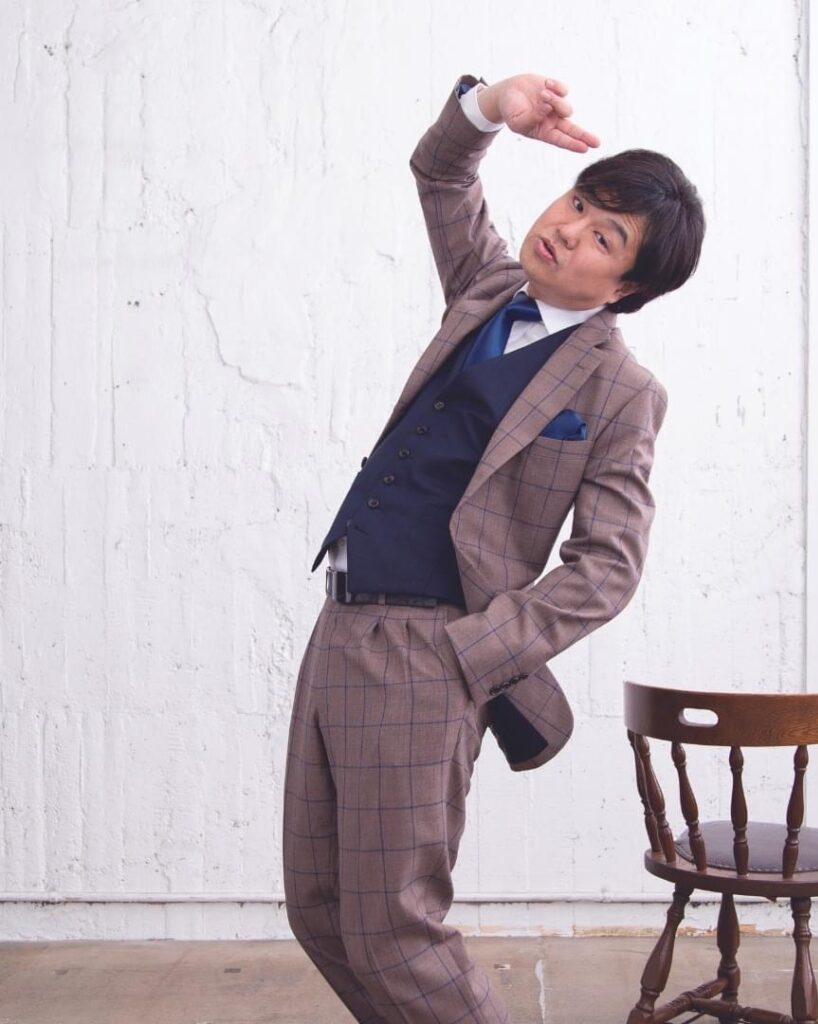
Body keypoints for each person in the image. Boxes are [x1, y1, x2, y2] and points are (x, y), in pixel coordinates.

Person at [282, 71, 705, 1024]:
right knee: (321, 911)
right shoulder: (486, 289)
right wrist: (492, 109)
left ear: (628, 287)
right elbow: (441, 175)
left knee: (394, 928)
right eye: (580, 202)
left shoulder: (620, 391)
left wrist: (470, 655)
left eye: (606, 236)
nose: (570, 228)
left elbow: (608, 566)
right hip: (341, 625)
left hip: (430, 653)